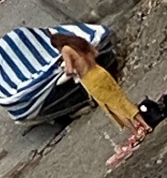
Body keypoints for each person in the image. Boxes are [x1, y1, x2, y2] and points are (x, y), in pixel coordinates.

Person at [49, 30, 149, 162]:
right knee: (121, 99)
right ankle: (145, 124)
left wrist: (70, 72)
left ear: (58, 45)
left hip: (90, 79)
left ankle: (136, 132)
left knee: (113, 107)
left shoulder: (66, 50)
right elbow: (96, 53)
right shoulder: (79, 41)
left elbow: (69, 69)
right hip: (100, 71)